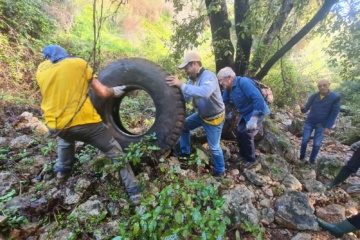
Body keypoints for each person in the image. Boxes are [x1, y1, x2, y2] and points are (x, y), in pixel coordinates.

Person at [36, 45, 142, 205]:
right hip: (85, 124)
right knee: (115, 153)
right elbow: (102, 93)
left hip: (55, 125)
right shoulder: (78, 63)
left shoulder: (41, 69)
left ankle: (62, 174)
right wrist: (114, 91)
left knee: (65, 138)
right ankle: (135, 194)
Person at [166, 52, 226, 178]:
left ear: (195, 64)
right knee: (183, 126)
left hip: (214, 118)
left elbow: (204, 93)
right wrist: (172, 94)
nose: (186, 71)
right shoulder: (191, 80)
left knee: (214, 147)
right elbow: (186, 97)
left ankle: (220, 170)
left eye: (187, 68)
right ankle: (185, 152)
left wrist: (181, 85)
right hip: (201, 115)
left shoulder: (209, 76)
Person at [217, 67, 270, 169]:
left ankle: (251, 159)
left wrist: (254, 118)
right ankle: (243, 155)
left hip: (258, 110)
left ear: (229, 78)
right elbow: (223, 102)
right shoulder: (228, 89)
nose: (220, 83)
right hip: (245, 113)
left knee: (247, 133)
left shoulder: (244, 82)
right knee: (239, 132)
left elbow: (258, 99)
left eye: (221, 80)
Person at [299, 79, 341, 165]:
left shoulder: (335, 98)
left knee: (317, 144)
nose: (322, 87)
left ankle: (311, 161)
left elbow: (334, 114)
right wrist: (302, 108)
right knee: (304, 140)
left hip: (322, 125)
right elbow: (305, 110)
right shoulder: (313, 96)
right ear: (318, 87)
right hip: (309, 122)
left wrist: (328, 127)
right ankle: (301, 157)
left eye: (324, 85)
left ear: (329, 85)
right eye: (320, 86)